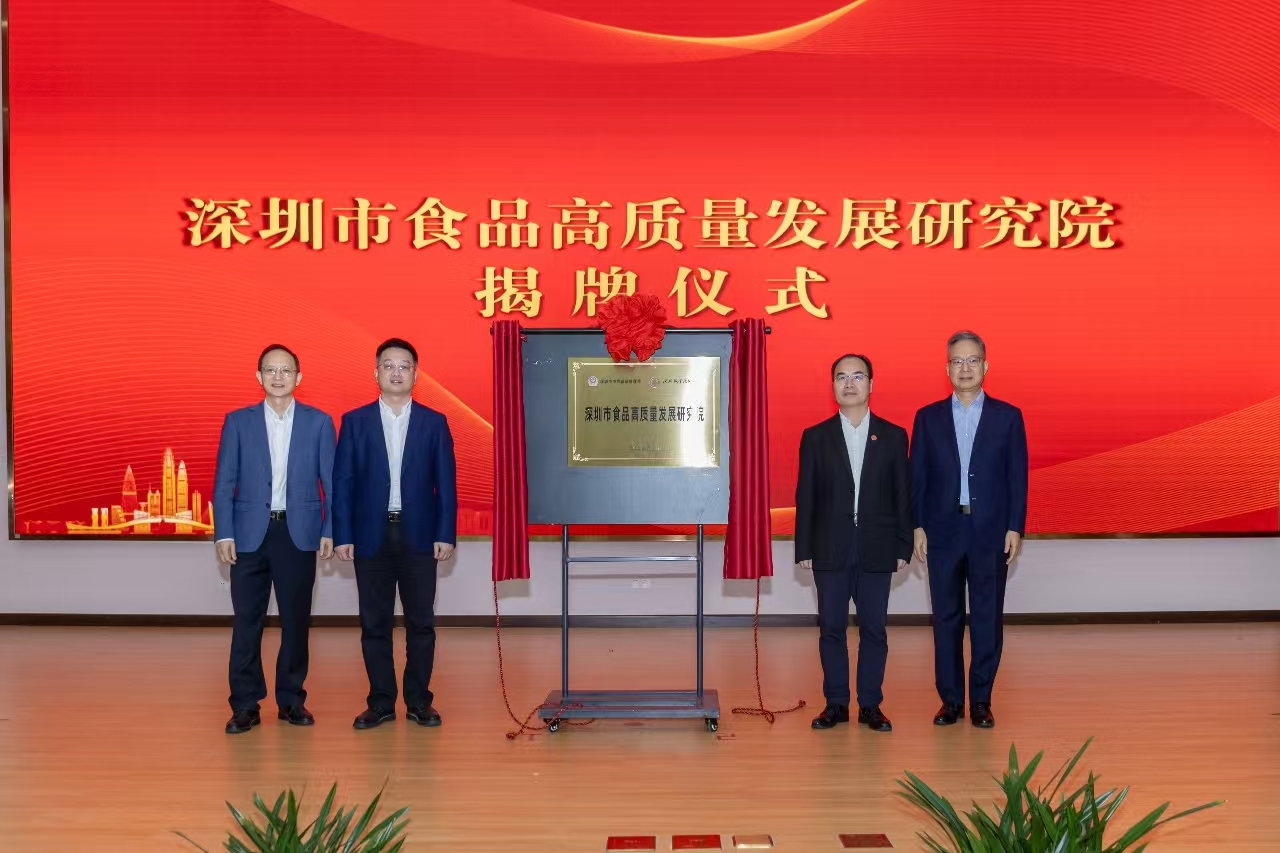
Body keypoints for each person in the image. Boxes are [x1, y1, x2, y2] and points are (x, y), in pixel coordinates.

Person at [335, 338, 457, 730]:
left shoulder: (434, 422)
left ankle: (420, 701)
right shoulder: (355, 421)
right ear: (376, 373)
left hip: (419, 536)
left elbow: (446, 484)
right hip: (370, 536)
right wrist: (342, 534)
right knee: (374, 625)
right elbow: (343, 482)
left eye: (404, 366)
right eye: (388, 365)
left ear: (416, 375)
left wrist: (446, 533)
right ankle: (381, 702)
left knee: (421, 624)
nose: (396, 372)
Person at [213, 344, 335, 734]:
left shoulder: (319, 423)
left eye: (286, 371)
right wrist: (223, 532)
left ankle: (291, 700)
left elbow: (331, 484)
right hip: (248, 535)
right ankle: (245, 705)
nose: (278, 377)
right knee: (246, 622)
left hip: (297, 534)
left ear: (299, 377)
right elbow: (224, 481)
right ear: (259, 376)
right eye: (270, 370)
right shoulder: (238, 421)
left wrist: (329, 529)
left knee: (296, 622)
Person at [911, 330, 1028, 729]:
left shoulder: (1008, 417)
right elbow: (918, 478)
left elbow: (1017, 476)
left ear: (985, 366)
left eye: (972, 360)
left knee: (986, 619)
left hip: (990, 532)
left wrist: (1015, 526)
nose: (965, 368)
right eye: (957, 361)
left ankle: (980, 701)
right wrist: (917, 525)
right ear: (947, 369)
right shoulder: (927, 418)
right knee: (945, 619)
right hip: (942, 531)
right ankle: (950, 702)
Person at [795, 353, 913, 732]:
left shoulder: (893, 436)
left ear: (871, 384)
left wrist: (903, 546)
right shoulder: (816, 437)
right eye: (841, 377)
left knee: (874, 629)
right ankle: (835, 704)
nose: (849, 383)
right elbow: (806, 496)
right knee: (831, 627)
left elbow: (902, 495)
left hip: (878, 547)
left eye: (857, 376)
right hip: (829, 546)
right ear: (832, 386)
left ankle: (870, 705)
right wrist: (804, 548)